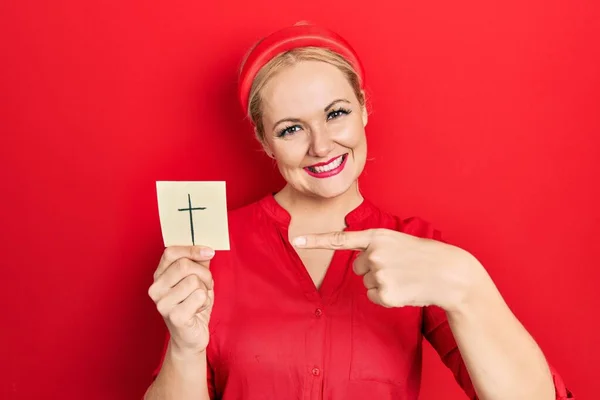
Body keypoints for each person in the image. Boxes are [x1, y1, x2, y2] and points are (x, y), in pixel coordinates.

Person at [144, 23, 574, 400]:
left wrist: (468, 285)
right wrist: (184, 349)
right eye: (291, 128)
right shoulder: (212, 248)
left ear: (364, 107)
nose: (322, 145)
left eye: (336, 113)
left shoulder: (419, 248)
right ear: (264, 139)